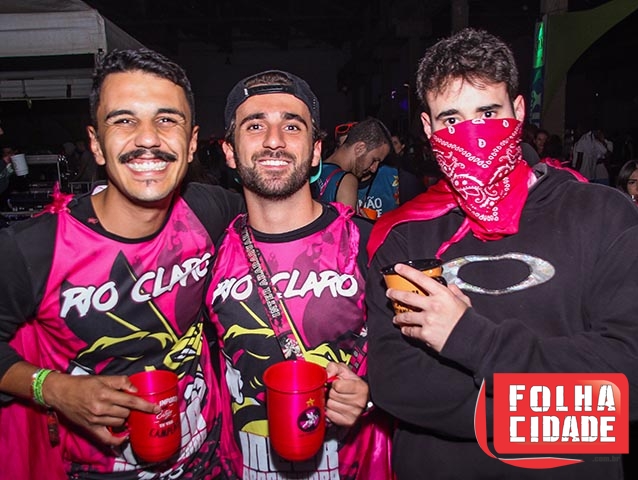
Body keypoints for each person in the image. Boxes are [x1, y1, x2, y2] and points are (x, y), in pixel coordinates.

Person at [365, 28, 638, 480]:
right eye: (451, 119)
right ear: (429, 129)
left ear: (518, 110)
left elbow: (629, 376)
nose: (471, 134)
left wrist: (471, 339)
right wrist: (572, 414)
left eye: (488, 112)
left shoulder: (602, 215)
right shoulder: (405, 236)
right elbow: (396, 382)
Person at [0, 48, 244, 479]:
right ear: (96, 144)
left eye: (166, 120)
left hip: (207, 461)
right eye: (124, 121)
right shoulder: (36, 247)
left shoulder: (210, 211)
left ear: (191, 143)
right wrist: (52, 388)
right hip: (93, 469)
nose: (148, 138)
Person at [207, 69, 392, 479]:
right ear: (230, 152)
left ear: (314, 151)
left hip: (352, 464)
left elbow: (415, 358)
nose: (274, 140)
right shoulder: (209, 256)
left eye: (292, 126)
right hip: (247, 465)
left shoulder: (368, 243)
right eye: (255, 126)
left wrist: (372, 394)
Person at [315, 117, 392, 211]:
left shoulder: (315, 169)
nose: (374, 169)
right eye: (374, 160)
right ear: (360, 148)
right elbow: (345, 221)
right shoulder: (347, 180)